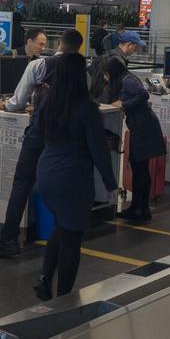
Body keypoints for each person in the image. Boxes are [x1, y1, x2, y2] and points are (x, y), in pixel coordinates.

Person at [0, 29, 85, 258]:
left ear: (59, 43)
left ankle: (9, 240)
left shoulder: (39, 66)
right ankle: (63, 235)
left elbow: (17, 101)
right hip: (66, 137)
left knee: (22, 182)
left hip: (40, 132)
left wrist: (6, 106)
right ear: (78, 47)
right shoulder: (81, 69)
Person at [33, 52, 119, 300]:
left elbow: (36, 130)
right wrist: (111, 184)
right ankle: (64, 300)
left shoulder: (48, 103)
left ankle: (45, 280)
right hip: (73, 179)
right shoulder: (87, 109)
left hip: (46, 174)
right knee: (72, 239)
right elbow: (99, 151)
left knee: (62, 227)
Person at [103, 59, 166, 221]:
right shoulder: (125, 80)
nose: (105, 78)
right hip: (142, 126)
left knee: (140, 168)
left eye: (106, 74)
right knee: (140, 168)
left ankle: (140, 208)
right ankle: (140, 207)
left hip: (144, 127)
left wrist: (124, 103)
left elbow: (143, 95)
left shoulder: (127, 81)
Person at [90, 30, 146, 100]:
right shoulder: (117, 60)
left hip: (94, 97)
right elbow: (116, 86)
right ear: (130, 44)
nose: (136, 49)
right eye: (136, 46)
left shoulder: (106, 54)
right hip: (105, 101)